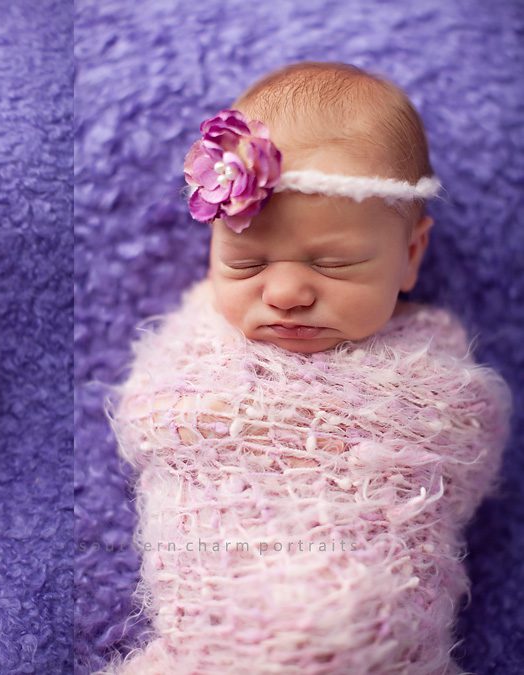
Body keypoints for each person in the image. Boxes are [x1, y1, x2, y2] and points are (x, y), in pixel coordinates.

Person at [106, 62, 512, 673]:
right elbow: (154, 415)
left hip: (377, 622)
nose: (287, 293)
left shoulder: (430, 362)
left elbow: (464, 436)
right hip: (210, 624)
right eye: (246, 264)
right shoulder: (200, 339)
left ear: (410, 255)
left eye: (334, 265)